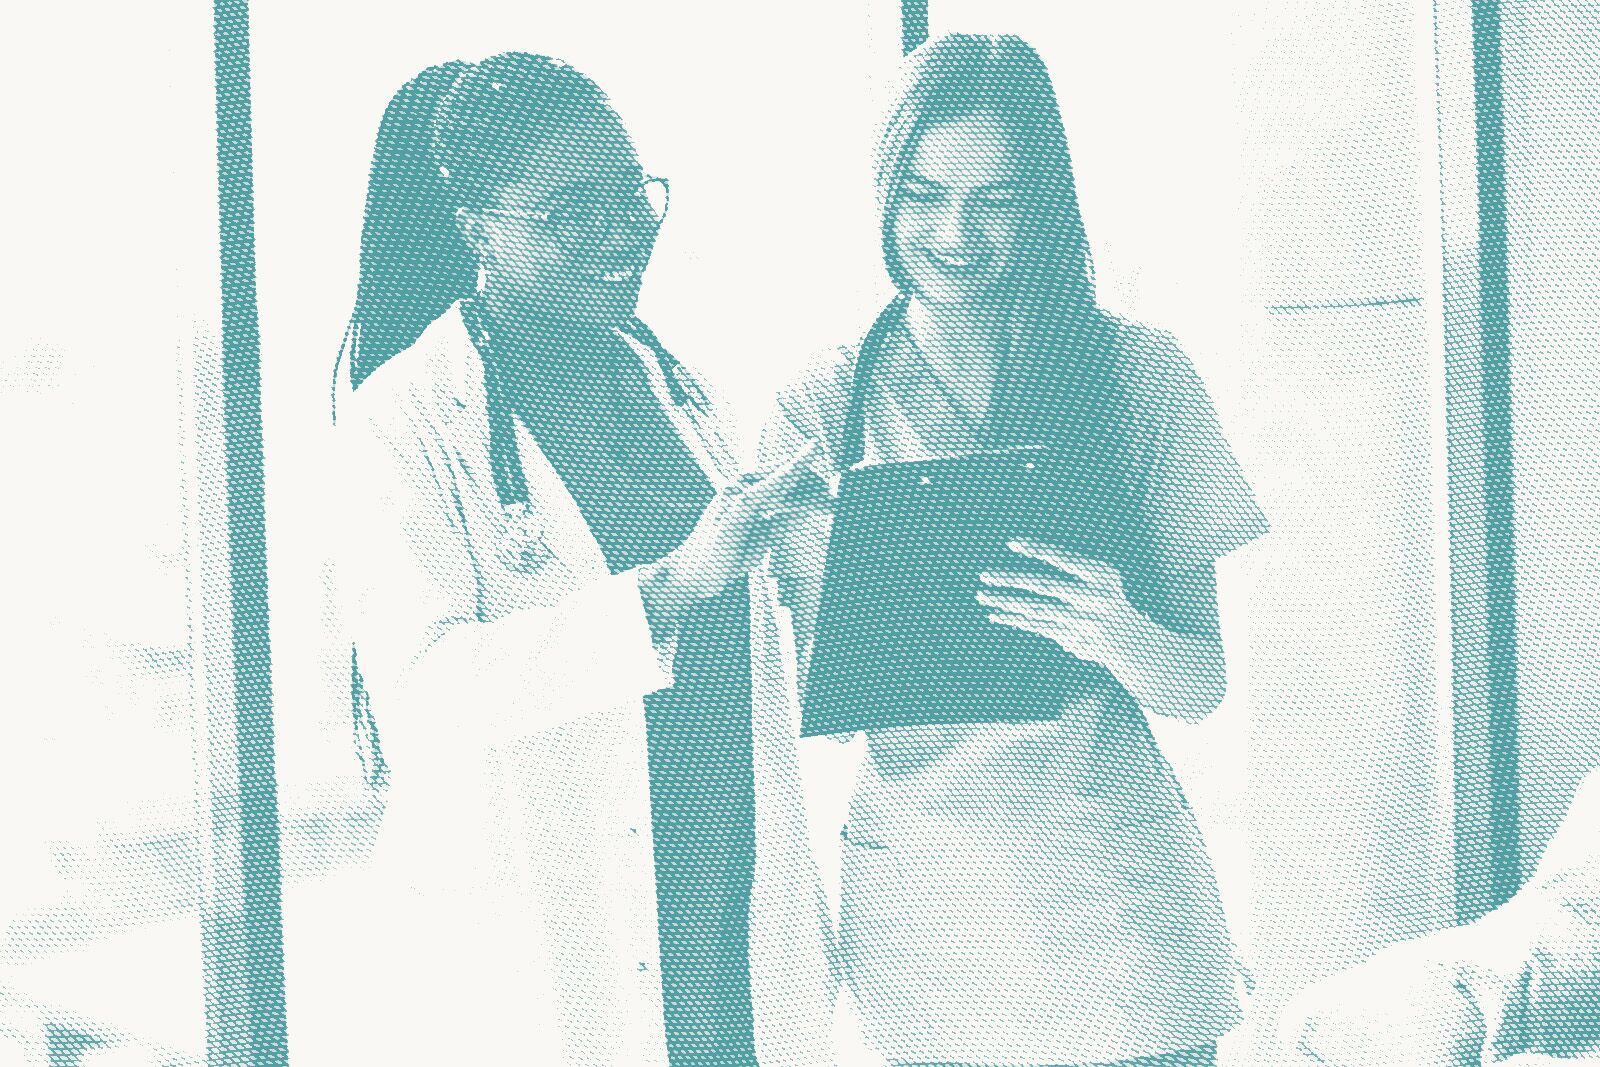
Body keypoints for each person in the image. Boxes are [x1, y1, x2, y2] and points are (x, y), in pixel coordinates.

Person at [760, 33, 1269, 1067]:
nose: (955, 230)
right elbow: (821, 690)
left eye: (996, 197)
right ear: (882, 192)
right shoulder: (819, 405)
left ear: (1045, 201)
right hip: (932, 940)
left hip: (1119, 925)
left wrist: (1115, 629)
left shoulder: (1137, 375)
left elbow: (1197, 681)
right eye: (924, 192)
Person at [320, 52, 833, 1066]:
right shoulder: (408, 419)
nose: (619, 233)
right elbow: (422, 691)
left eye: (631, 196)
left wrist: (813, 551)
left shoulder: (680, 387)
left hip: (729, 917)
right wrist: (668, 589)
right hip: (545, 958)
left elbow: (757, 662)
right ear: (479, 230)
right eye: (569, 212)